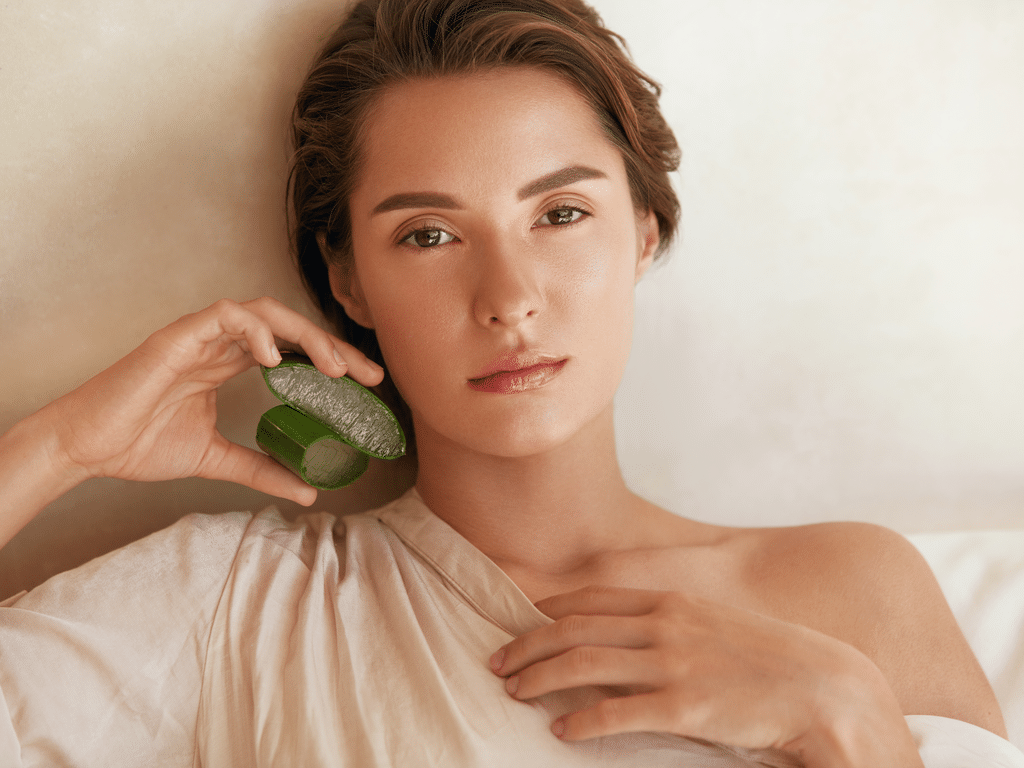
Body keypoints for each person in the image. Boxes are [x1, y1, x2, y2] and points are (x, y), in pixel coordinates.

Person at [0, 0, 1020, 766]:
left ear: (644, 231)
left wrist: (844, 715)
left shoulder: (848, 595)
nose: (508, 297)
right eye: (429, 235)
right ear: (349, 278)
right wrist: (61, 448)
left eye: (560, 214)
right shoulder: (236, 602)